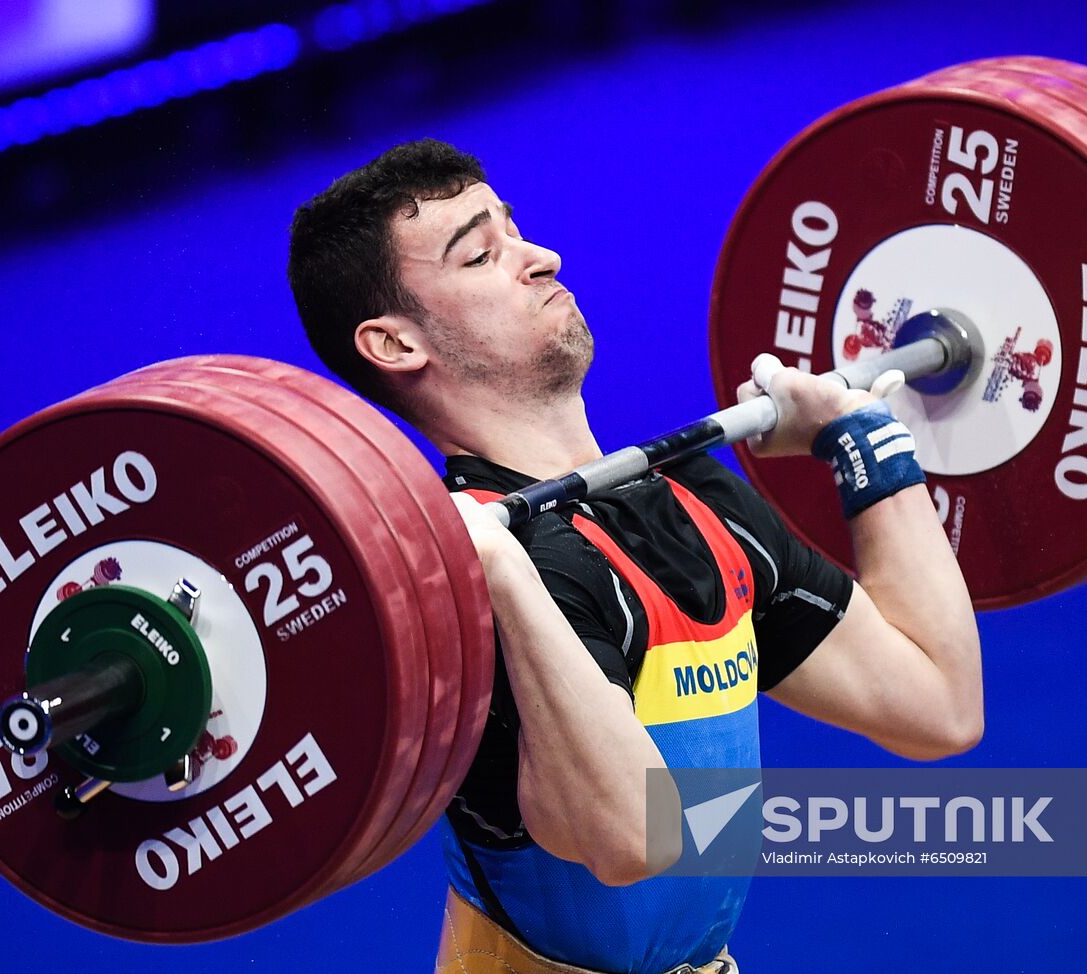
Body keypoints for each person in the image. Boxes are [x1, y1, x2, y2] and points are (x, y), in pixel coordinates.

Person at [287, 139, 982, 974]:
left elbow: (939, 707)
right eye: (480, 253)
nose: (539, 257)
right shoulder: (475, 577)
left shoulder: (693, 495)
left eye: (514, 229)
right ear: (396, 346)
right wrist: (502, 576)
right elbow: (629, 839)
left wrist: (864, 441)